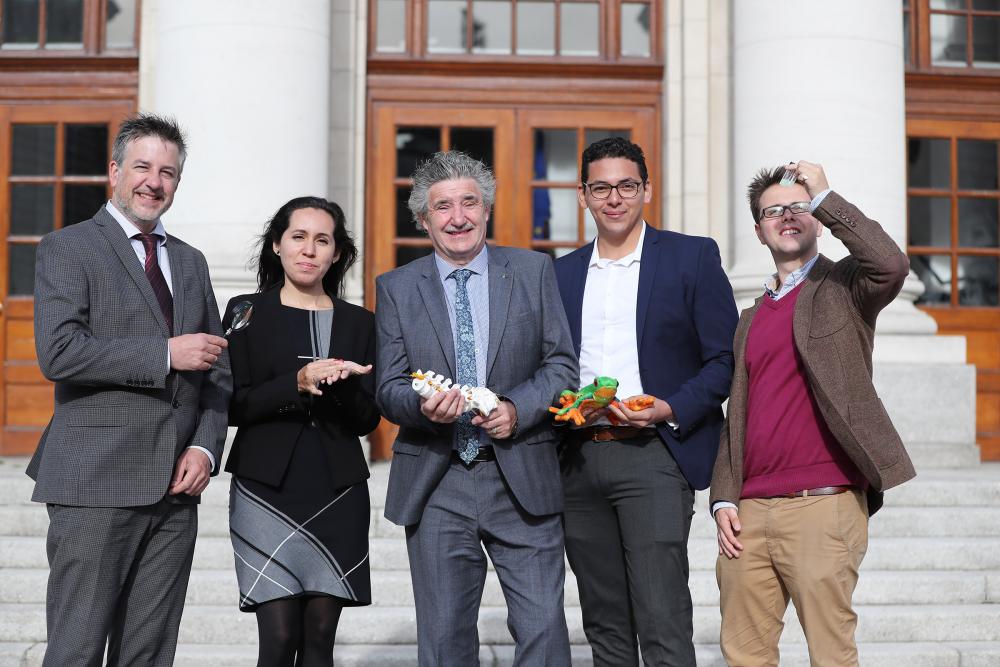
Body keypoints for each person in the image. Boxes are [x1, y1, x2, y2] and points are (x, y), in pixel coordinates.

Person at [26, 113, 232, 666]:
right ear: (115, 171)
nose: (153, 182)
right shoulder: (68, 247)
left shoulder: (190, 261)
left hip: (176, 489)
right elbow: (59, 352)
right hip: (95, 481)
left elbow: (217, 372)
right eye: (142, 167)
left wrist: (205, 447)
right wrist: (165, 354)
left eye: (168, 173)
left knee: (150, 653)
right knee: (76, 650)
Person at [375, 150, 577, 666]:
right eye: (442, 207)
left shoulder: (532, 270)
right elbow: (390, 387)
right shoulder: (396, 287)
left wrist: (517, 408)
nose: (458, 217)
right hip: (438, 482)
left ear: (487, 209)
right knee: (444, 640)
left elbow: (561, 366)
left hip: (522, 475)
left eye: (469, 203)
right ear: (424, 220)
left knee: (543, 628)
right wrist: (423, 408)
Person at [711, 161, 916, 666]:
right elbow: (739, 414)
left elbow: (891, 264)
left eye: (798, 207)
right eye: (773, 211)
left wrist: (824, 194)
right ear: (758, 231)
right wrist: (723, 497)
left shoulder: (845, 289)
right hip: (750, 512)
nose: (786, 216)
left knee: (830, 655)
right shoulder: (749, 318)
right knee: (744, 656)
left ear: (818, 221)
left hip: (822, 505)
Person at [553, 136, 739, 666]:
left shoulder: (691, 257)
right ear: (582, 195)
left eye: (627, 186)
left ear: (647, 190)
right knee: (604, 622)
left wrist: (671, 407)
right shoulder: (559, 273)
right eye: (601, 188)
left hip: (655, 454)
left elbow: (724, 359)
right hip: (576, 457)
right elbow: (547, 364)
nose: (614, 198)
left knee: (661, 616)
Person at [223, 196, 380, 666]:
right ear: (277, 244)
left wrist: (343, 386)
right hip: (264, 489)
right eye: (298, 237)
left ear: (337, 253)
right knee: (278, 636)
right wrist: (295, 382)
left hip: (337, 491)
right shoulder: (245, 311)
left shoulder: (359, 322)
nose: (309, 250)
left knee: (319, 638)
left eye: (322, 240)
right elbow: (231, 404)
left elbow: (367, 420)